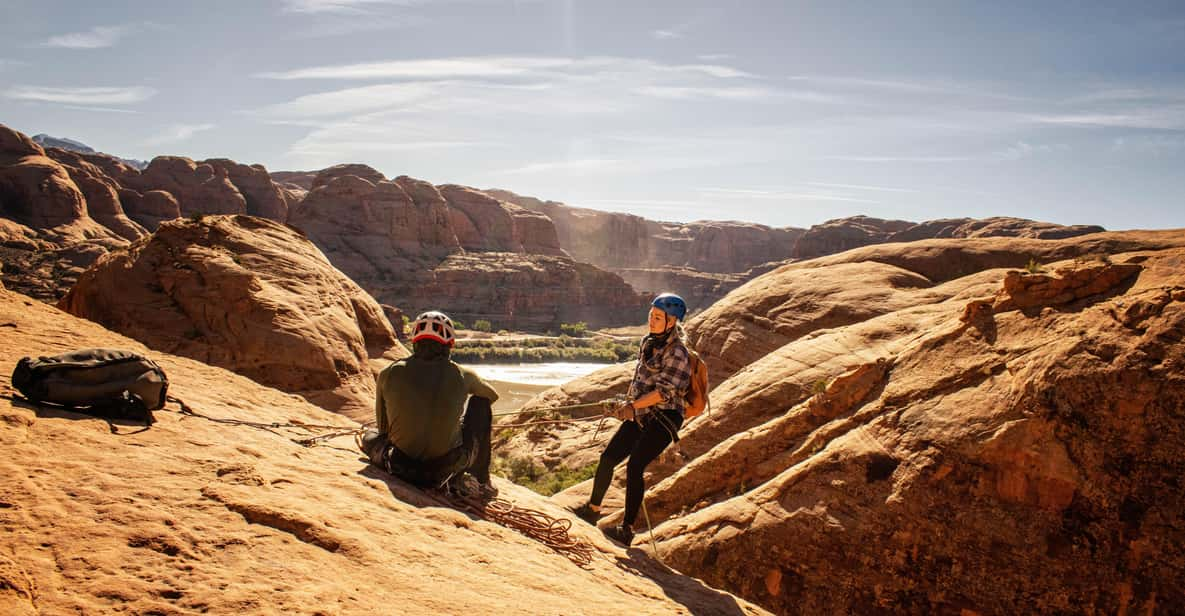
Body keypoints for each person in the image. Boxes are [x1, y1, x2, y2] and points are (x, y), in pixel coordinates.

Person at [572, 293, 692, 546]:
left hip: (665, 417)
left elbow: (664, 392)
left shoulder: (678, 353)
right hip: (641, 412)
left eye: (658, 317)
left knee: (635, 466)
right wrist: (624, 404)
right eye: (651, 315)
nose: (652, 320)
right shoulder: (648, 342)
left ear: (672, 322)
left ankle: (626, 530)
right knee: (608, 458)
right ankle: (592, 510)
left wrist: (632, 406)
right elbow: (640, 382)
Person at [360, 310, 500, 496]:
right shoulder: (463, 375)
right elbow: (491, 395)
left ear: (414, 341)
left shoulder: (388, 372)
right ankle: (482, 482)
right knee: (480, 404)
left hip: (399, 465)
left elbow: (384, 429)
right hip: (445, 470)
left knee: (369, 436)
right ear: (450, 344)